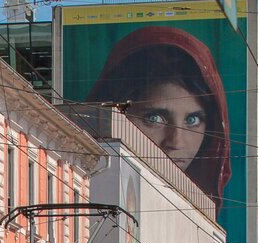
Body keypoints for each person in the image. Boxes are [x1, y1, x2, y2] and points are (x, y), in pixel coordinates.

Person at [85, 26, 231, 209]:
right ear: (115, 113)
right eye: (154, 119)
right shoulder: (86, 195)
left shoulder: (202, 214)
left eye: (192, 120)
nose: (176, 142)